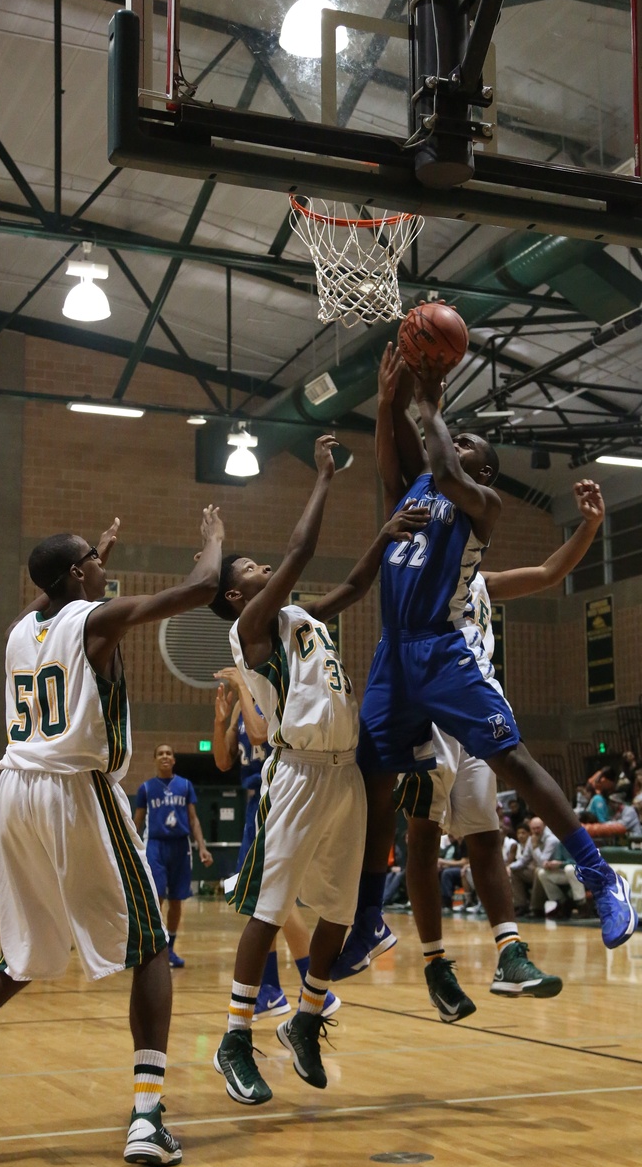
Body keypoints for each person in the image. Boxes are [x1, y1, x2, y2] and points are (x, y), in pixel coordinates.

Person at [0, 507, 224, 1167]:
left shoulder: (19, 632)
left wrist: (99, 556)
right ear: (76, 575)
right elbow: (202, 588)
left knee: (20, 959)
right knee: (150, 946)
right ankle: (148, 1117)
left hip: (16, 793)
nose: (100, 565)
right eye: (91, 560)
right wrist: (212, 540)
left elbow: (57, 601)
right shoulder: (93, 621)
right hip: (73, 791)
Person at [340, 343, 629, 999]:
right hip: (403, 664)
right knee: (395, 812)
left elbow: (551, 571)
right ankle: (407, 944)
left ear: (484, 469)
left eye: (467, 441)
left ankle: (573, 897)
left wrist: (427, 405)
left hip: (451, 672)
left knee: (488, 822)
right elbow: (402, 470)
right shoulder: (417, 497)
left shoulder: (477, 529)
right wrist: (390, 401)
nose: (454, 439)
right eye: (455, 434)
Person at [210, 435, 429, 1105]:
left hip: (344, 773)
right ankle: (235, 1037)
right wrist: (325, 477)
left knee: (336, 911)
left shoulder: (301, 614)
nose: (263, 567)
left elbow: (356, 585)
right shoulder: (251, 624)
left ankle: (307, 1018)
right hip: (297, 774)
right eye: (248, 566)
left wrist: (386, 533)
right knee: (270, 912)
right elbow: (302, 551)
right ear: (233, 593)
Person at [213, 666, 341, 1022]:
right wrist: (221, 720)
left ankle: (311, 987)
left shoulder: (271, 696)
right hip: (253, 805)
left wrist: (241, 685)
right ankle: (272, 990)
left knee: (273, 900)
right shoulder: (242, 701)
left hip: (276, 797)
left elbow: (257, 736)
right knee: (264, 900)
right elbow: (224, 762)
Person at [133, 744, 211, 969]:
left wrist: (202, 847)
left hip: (181, 846)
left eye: (169, 753)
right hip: (155, 846)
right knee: (156, 898)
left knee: (177, 900)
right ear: (155, 760)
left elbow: (193, 819)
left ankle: (170, 949)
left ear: (174, 760)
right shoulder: (145, 788)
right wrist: (130, 850)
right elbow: (137, 821)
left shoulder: (185, 786)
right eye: (160, 754)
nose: (165, 756)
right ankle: (155, 947)